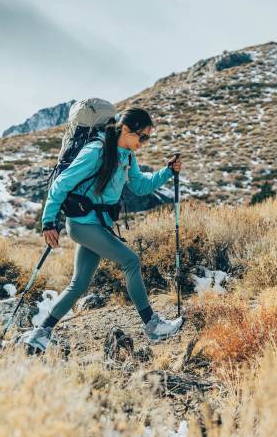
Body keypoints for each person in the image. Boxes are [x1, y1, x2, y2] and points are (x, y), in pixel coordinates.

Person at [22, 107, 183, 352]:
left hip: (99, 225)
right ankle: (152, 325)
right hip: (82, 225)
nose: (145, 143)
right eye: (143, 137)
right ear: (127, 130)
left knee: (79, 284)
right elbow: (61, 185)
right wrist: (48, 222)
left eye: (148, 138)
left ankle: (40, 334)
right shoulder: (96, 151)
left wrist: (167, 172)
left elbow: (140, 186)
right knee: (131, 261)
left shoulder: (128, 155)